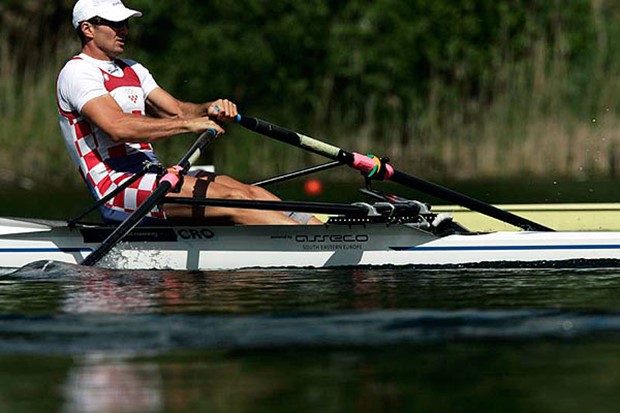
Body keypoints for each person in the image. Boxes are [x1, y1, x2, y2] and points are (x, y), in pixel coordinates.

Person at [57, 0, 320, 225]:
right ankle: (310, 243)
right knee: (232, 200)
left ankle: (320, 230)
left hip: (154, 176)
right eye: (115, 24)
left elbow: (178, 110)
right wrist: (190, 125)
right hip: (117, 189)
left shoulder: (133, 69)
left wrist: (207, 108)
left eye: (125, 23)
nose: (124, 30)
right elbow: (117, 127)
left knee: (251, 193)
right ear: (88, 29)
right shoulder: (77, 72)